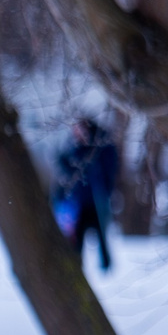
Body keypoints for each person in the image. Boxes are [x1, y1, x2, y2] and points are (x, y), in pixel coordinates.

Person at [54, 116, 119, 274]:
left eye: (80, 130)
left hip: (98, 200)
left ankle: (106, 266)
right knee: (77, 236)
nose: (77, 134)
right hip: (81, 202)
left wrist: (106, 188)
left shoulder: (101, 147)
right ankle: (76, 265)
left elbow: (110, 170)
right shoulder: (75, 149)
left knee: (102, 236)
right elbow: (70, 173)